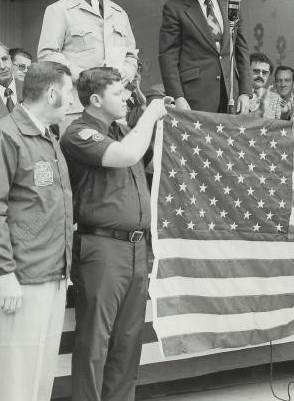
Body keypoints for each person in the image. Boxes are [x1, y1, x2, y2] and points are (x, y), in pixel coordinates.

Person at [60, 67, 167, 401]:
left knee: (128, 341)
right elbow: (126, 155)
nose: (126, 98)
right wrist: (150, 112)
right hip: (102, 247)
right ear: (95, 99)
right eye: (117, 93)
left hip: (136, 248)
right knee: (95, 343)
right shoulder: (78, 133)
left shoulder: (122, 130)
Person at [0, 61, 74, 401]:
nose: (72, 100)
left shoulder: (46, 137)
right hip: (20, 277)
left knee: (40, 376)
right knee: (17, 378)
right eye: (69, 91)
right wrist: (4, 273)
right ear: (52, 93)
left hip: (51, 273)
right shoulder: (2, 136)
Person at [37, 0, 139, 127]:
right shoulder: (59, 10)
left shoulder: (119, 13)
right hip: (78, 108)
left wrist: (126, 73)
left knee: (118, 155)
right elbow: (47, 55)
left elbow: (131, 55)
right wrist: (84, 76)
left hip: (116, 109)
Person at [159, 0, 251, 114]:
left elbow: (241, 51)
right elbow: (168, 56)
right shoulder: (175, 8)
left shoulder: (232, 6)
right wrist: (177, 96)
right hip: (194, 97)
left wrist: (245, 91)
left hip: (232, 95)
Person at [248, 52, 284, 119]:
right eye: (256, 71)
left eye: (265, 72)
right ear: (246, 71)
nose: (260, 76)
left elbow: (279, 126)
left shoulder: (276, 98)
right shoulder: (237, 94)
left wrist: (287, 115)